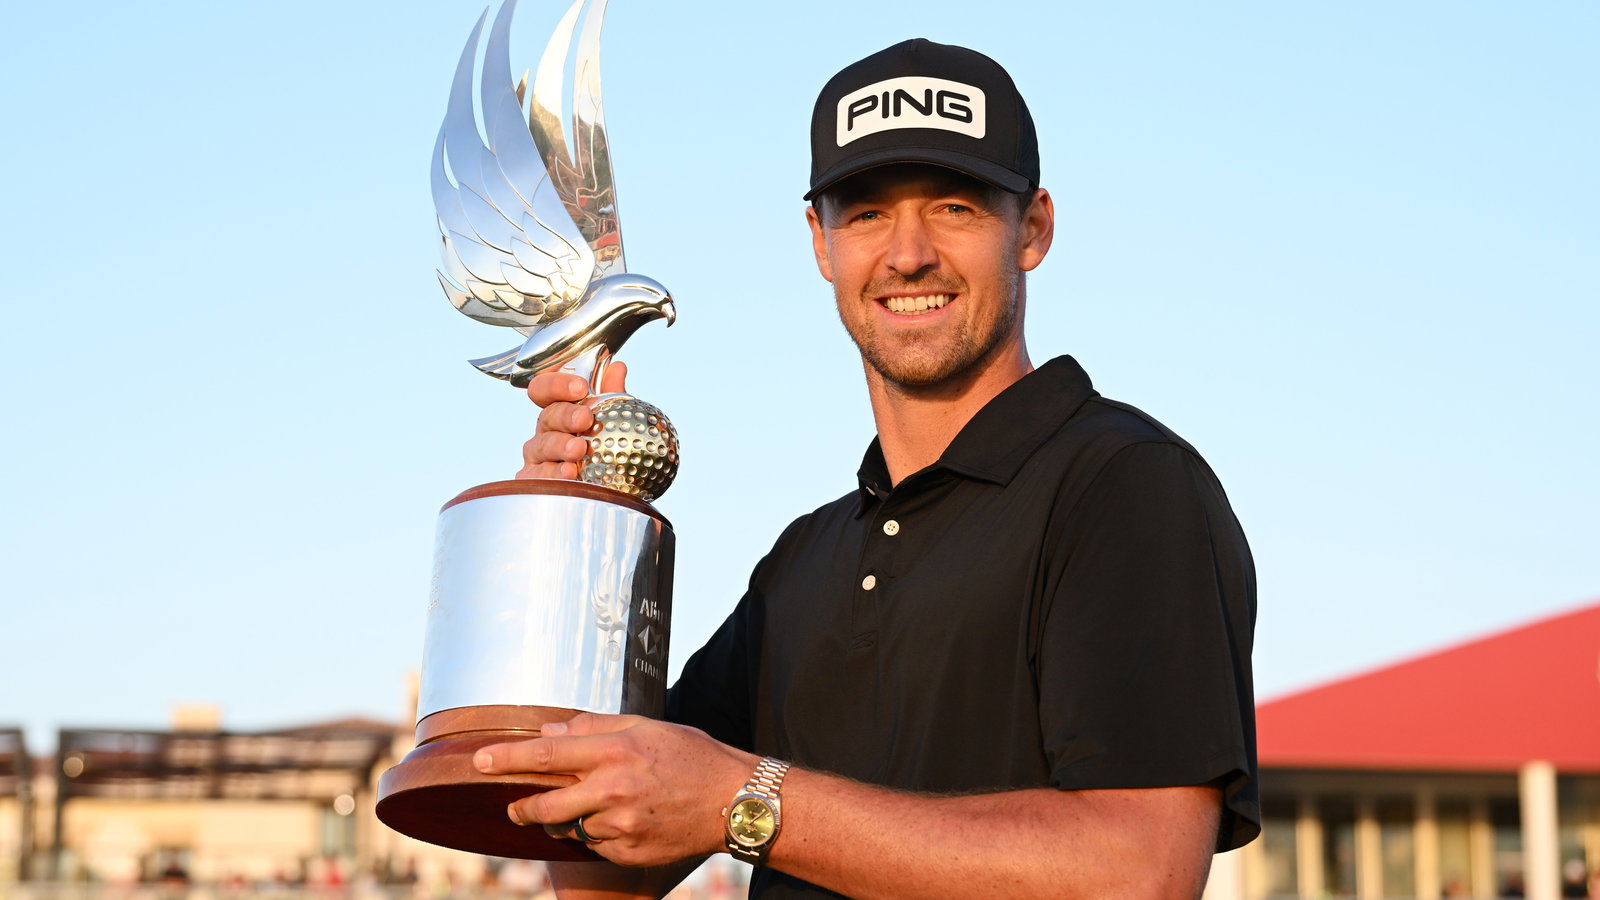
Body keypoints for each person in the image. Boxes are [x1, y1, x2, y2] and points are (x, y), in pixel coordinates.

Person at [473, 38, 1259, 899]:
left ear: (1032, 229)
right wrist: (570, 533)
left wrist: (746, 798)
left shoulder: (1126, 486)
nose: (909, 253)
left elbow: (1136, 874)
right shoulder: (802, 563)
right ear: (820, 241)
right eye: (868, 213)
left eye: (956, 207)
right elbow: (597, 880)